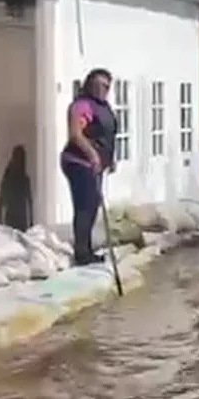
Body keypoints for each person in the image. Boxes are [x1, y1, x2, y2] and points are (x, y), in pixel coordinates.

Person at [61, 68, 117, 266]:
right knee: (85, 205)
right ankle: (82, 253)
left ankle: (86, 248)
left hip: (95, 164)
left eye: (106, 87)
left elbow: (106, 136)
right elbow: (76, 135)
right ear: (90, 85)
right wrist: (92, 155)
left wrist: (110, 159)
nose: (103, 90)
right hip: (77, 161)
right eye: (99, 85)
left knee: (92, 206)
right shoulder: (81, 106)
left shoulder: (103, 107)